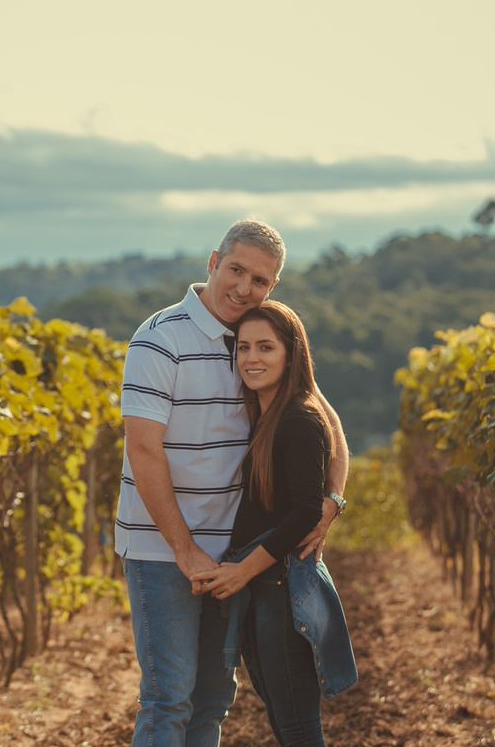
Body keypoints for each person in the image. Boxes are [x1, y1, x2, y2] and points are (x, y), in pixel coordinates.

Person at [116, 219, 350, 747]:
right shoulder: (159, 339)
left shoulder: (257, 337)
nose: (244, 288)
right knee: (169, 697)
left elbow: (323, 417)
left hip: (235, 557)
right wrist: (185, 551)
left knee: (213, 697)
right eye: (237, 270)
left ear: (273, 286)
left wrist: (332, 500)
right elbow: (143, 450)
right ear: (213, 263)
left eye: (260, 280)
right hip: (163, 550)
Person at [192, 301, 356, 747]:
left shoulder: (298, 418)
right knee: (286, 722)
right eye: (244, 347)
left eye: (266, 347)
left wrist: (241, 571)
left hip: (280, 588)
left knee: (298, 727)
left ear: (290, 353)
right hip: (265, 588)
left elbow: (305, 512)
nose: (252, 358)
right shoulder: (268, 415)